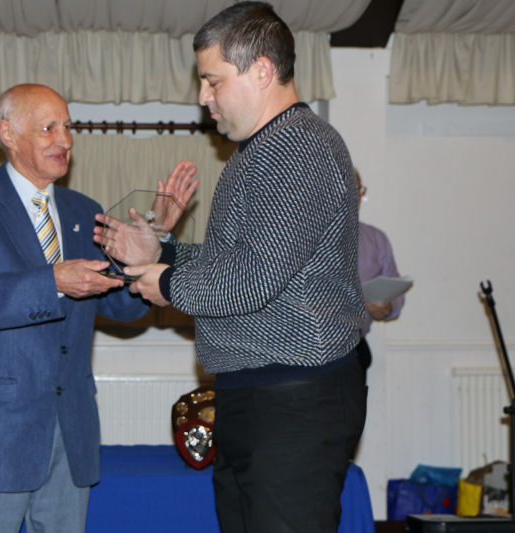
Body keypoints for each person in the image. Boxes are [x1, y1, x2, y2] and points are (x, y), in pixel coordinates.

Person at [95, 3, 367, 532]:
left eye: (212, 81)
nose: (203, 97)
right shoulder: (257, 153)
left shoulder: (298, 149)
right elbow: (236, 263)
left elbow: (252, 280)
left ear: (262, 71)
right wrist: (163, 253)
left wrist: (166, 282)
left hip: (294, 399)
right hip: (260, 395)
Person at [0, 83, 197, 533]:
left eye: (69, 127)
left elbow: (128, 308)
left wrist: (156, 241)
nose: (66, 139)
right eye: (49, 128)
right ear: (8, 134)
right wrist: (52, 281)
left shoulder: (83, 210)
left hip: (69, 434)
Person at [355, 168, 405, 371]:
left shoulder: (376, 239)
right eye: (348, 188)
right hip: (312, 351)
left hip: (355, 350)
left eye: (358, 189)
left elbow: (395, 292)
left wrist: (387, 307)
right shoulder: (309, 239)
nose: (355, 196)